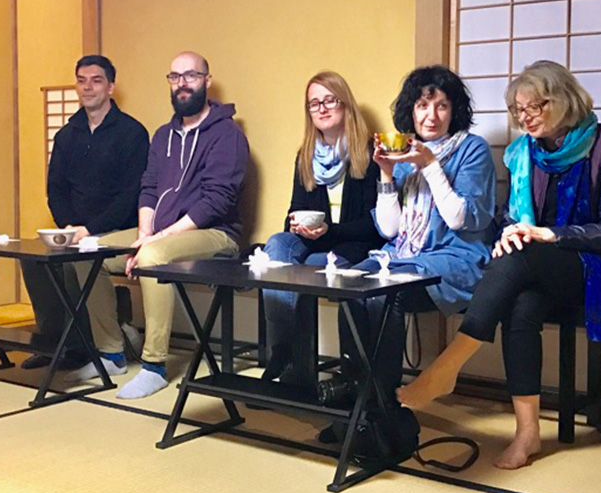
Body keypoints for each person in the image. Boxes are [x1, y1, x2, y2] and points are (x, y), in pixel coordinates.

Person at [397, 61, 601, 469]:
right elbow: (506, 218)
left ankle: (448, 366)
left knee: (522, 257)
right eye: (518, 110)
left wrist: (547, 235)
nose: (526, 116)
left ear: (565, 99)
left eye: (536, 106)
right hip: (540, 264)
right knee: (522, 302)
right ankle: (528, 433)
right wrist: (511, 232)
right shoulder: (524, 153)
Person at [330, 65, 495, 435]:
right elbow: (389, 229)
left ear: (454, 112)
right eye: (422, 106)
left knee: (384, 296)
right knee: (353, 287)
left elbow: (462, 220)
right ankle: (359, 401)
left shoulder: (472, 149)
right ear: (411, 110)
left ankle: (386, 408)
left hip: (456, 256)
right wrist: (387, 174)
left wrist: (431, 166)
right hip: (404, 252)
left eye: (441, 106)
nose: (431, 116)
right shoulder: (404, 152)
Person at [105, 51, 250, 399]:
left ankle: (154, 365)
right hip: (160, 233)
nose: (182, 83)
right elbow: (149, 188)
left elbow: (216, 202)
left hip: (215, 235)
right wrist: (143, 234)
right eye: (175, 77)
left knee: (154, 257)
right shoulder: (162, 135)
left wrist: (153, 242)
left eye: (191, 75)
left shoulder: (226, 135)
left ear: (206, 81)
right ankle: (110, 350)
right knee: (89, 252)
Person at [20, 55, 149, 379]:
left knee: (79, 259)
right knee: (34, 258)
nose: (87, 87)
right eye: (81, 80)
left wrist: (90, 229)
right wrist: (68, 227)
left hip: (118, 227)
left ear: (110, 87)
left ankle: (87, 346)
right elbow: (56, 190)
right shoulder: (67, 135)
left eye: (96, 80)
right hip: (74, 229)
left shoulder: (132, 133)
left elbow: (131, 194)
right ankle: (55, 342)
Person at [261, 71, 381, 382]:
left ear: (346, 105)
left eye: (330, 100)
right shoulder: (306, 155)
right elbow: (293, 210)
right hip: (315, 240)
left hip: (352, 246)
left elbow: (376, 225)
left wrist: (330, 230)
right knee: (276, 245)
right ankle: (284, 351)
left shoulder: (368, 152)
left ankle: (300, 369)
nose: (322, 109)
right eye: (314, 104)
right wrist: (297, 226)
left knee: (308, 271)